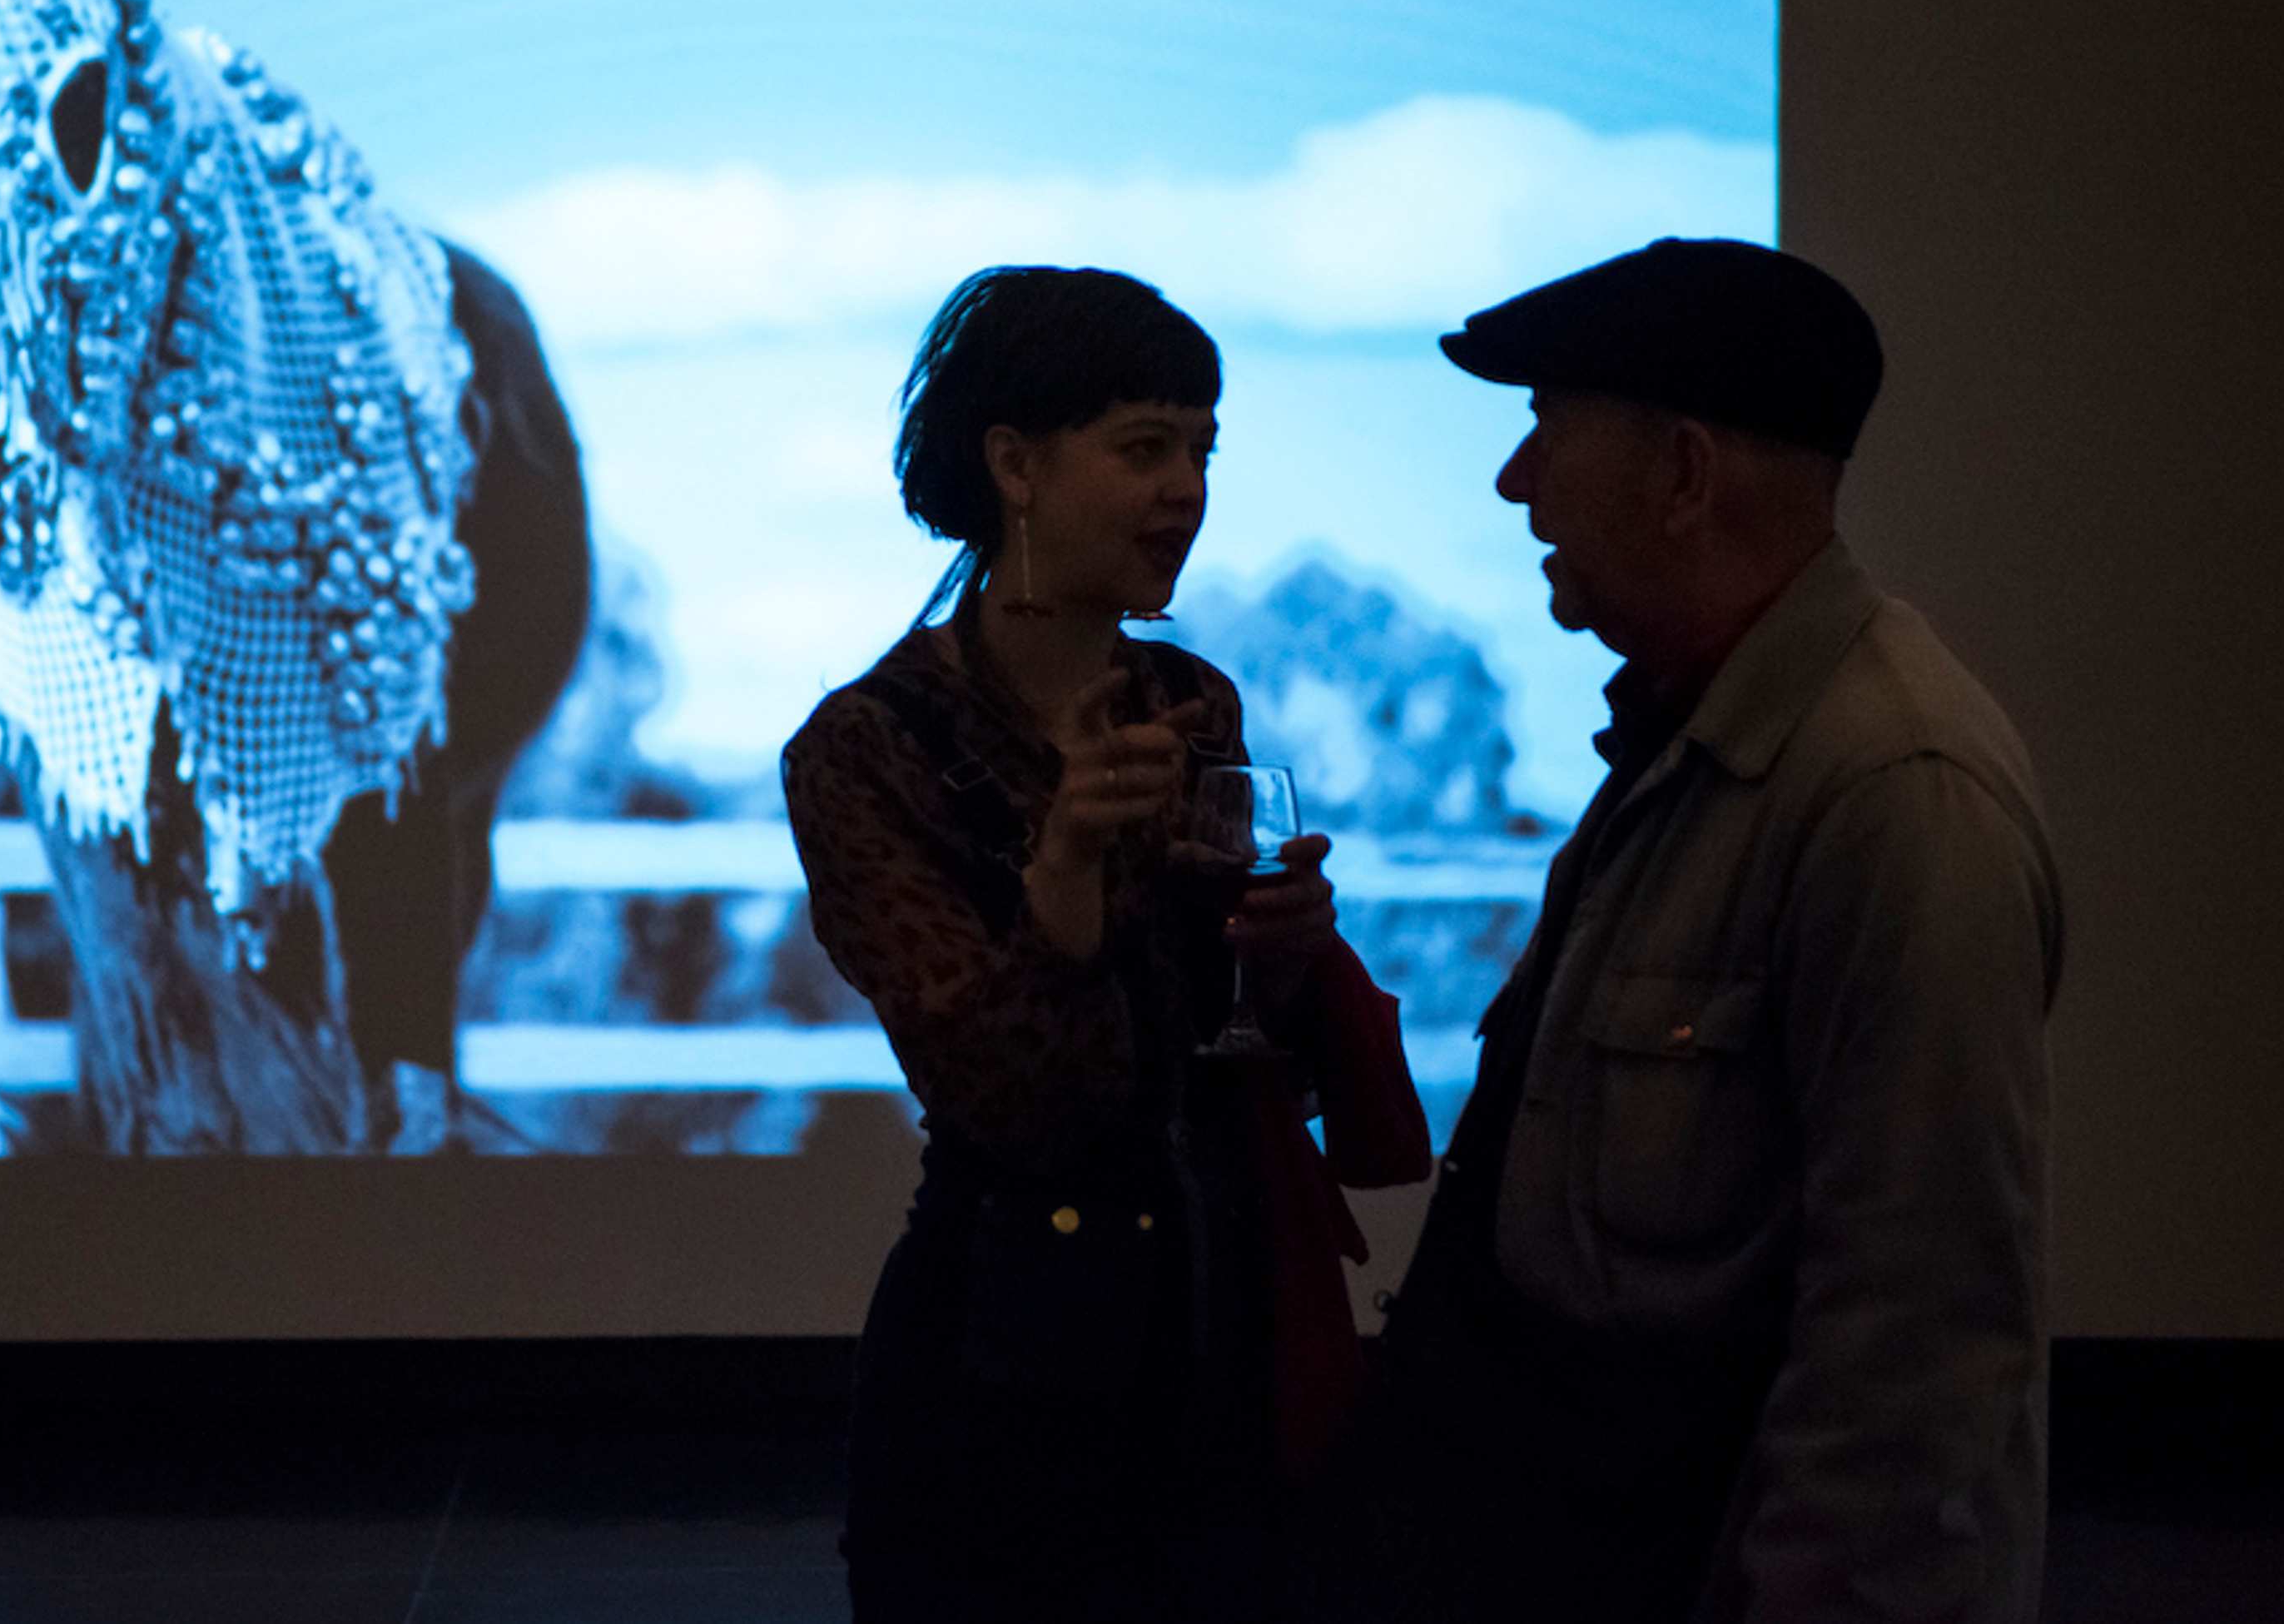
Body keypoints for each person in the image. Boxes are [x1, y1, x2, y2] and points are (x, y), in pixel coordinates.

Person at [1358, 237, 2064, 1622]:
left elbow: (1916, 1362)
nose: (1515, 483)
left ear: (1683, 474)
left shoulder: (1895, 794)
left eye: (1544, 431)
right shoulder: (1696, 738)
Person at [783, 265, 1430, 1624]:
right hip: (1008, 1351)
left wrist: (1289, 953)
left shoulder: (1192, 702)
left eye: (1202, 450)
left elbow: (1237, 1051)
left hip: (1223, 1315)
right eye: (1145, 448)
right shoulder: (867, 749)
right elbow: (1006, 1098)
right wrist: (1065, 864)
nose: (1186, 489)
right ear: (1013, 464)